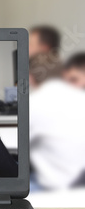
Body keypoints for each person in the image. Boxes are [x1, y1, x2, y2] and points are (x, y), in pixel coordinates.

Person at [29, 53, 85, 190]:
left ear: (31, 77)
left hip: (58, 186)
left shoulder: (34, 102)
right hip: (78, 178)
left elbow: (22, 142)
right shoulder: (80, 96)